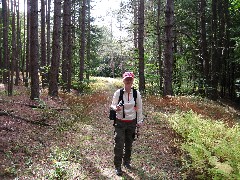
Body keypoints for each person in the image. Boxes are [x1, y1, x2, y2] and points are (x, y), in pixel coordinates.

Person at [110, 72, 144, 176]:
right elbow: (112, 105)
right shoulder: (118, 93)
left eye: (130, 79)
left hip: (131, 123)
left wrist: (139, 121)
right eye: (126, 79)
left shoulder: (136, 93)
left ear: (132, 81)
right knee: (119, 144)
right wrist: (116, 108)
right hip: (120, 122)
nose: (128, 81)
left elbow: (139, 108)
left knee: (129, 144)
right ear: (123, 81)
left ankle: (127, 162)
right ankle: (118, 166)